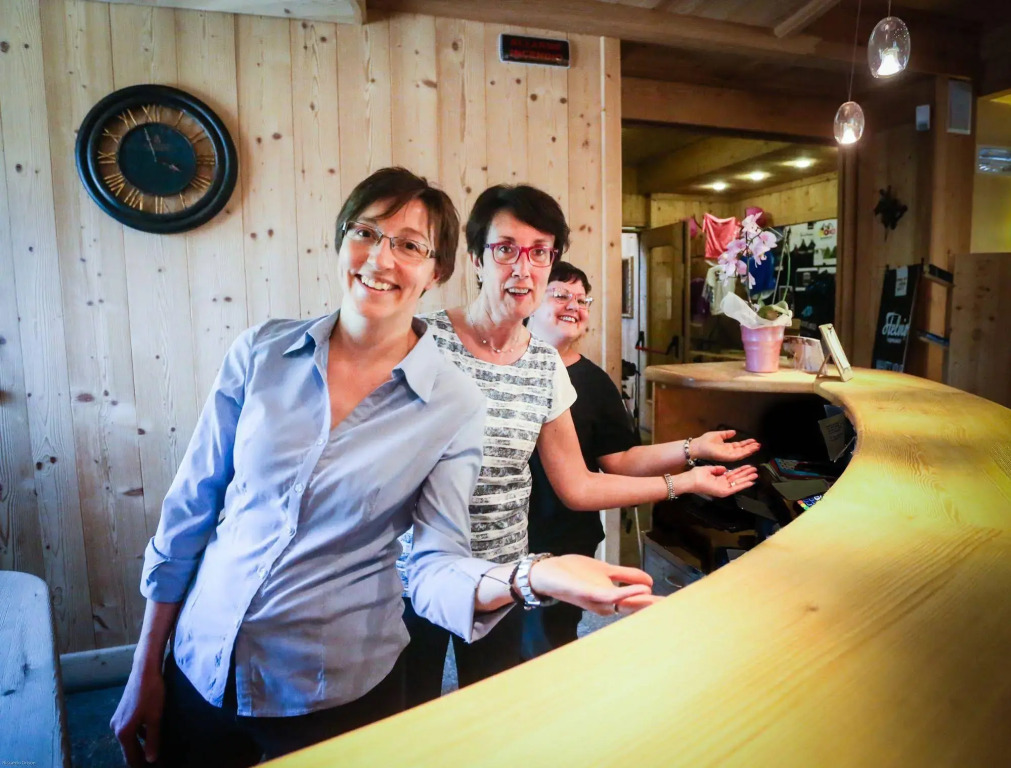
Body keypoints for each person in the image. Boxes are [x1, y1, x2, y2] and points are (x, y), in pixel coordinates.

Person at [110, 168, 658, 768]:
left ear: (435, 269)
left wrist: (532, 576)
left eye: (410, 245)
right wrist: (145, 666)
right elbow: (189, 514)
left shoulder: (453, 402)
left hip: (332, 685)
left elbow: (435, 560)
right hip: (199, 664)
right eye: (366, 232)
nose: (381, 258)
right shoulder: (260, 353)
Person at [399, 184, 759, 706]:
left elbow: (578, 484)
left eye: (539, 253)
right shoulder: (421, 339)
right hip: (413, 574)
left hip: (504, 574)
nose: (523, 269)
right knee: (403, 717)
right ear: (477, 258)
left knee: (492, 713)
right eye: (505, 250)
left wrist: (686, 480)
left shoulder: (544, 364)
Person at [522, 261, 761, 659]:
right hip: (498, 540)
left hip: (564, 540)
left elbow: (621, 459)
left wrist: (695, 447)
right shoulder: (503, 367)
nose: (574, 306)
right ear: (530, 300)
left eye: (583, 300)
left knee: (547, 651)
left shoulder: (594, 382)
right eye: (561, 294)